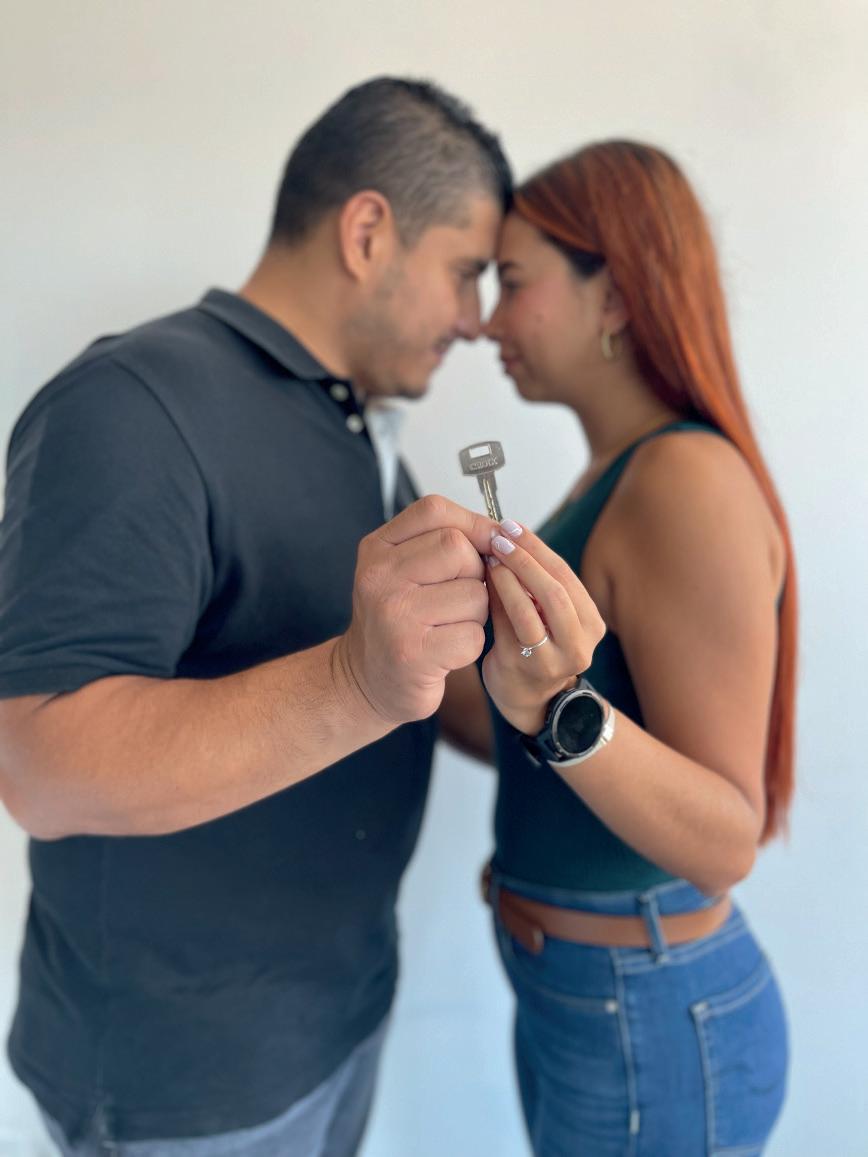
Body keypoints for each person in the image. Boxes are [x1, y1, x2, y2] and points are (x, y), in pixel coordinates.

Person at [0, 77, 537, 1157]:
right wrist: (352, 681)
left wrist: (544, 697)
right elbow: (41, 763)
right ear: (368, 232)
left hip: (336, 1024)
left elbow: (406, 685)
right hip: (185, 1084)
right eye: (465, 271)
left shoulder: (355, 426)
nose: (476, 319)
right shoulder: (133, 404)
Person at [442, 141, 797, 1155]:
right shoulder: (612, 476)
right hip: (586, 996)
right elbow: (513, 728)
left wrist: (561, 706)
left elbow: (726, 839)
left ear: (614, 296)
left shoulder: (683, 483)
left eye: (513, 282)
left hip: (644, 1011)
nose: (486, 322)